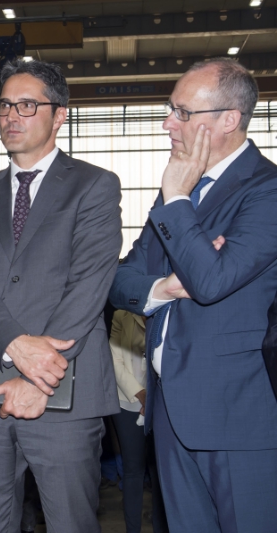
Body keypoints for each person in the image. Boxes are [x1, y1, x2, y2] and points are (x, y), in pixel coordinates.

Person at [0, 58, 122, 533]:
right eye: (4, 105)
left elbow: (88, 283)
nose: (11, 116)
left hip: (66, 389)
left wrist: (39, 376)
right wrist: (13, 344)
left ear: (59, 114)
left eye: (27, 105)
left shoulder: (94, 185)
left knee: (70, 523)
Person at [110, 58, 277, 532]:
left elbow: (210, 282)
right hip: (170, 414)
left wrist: (178, 199)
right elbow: (120, 280)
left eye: (183, 112)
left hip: (237, 416)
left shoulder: (266, 191)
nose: (168, 123)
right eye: (170, 109)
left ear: (229, 119)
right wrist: (161, 287)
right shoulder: (177, 192)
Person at [108, 310, 168, 533]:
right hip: (128, 400)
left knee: (159, 470)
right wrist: (142, 394)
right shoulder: (121, 315)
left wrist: (154, 396)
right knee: (133, 470)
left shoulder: (169, 310)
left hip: (163, 400)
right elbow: (115, 361)